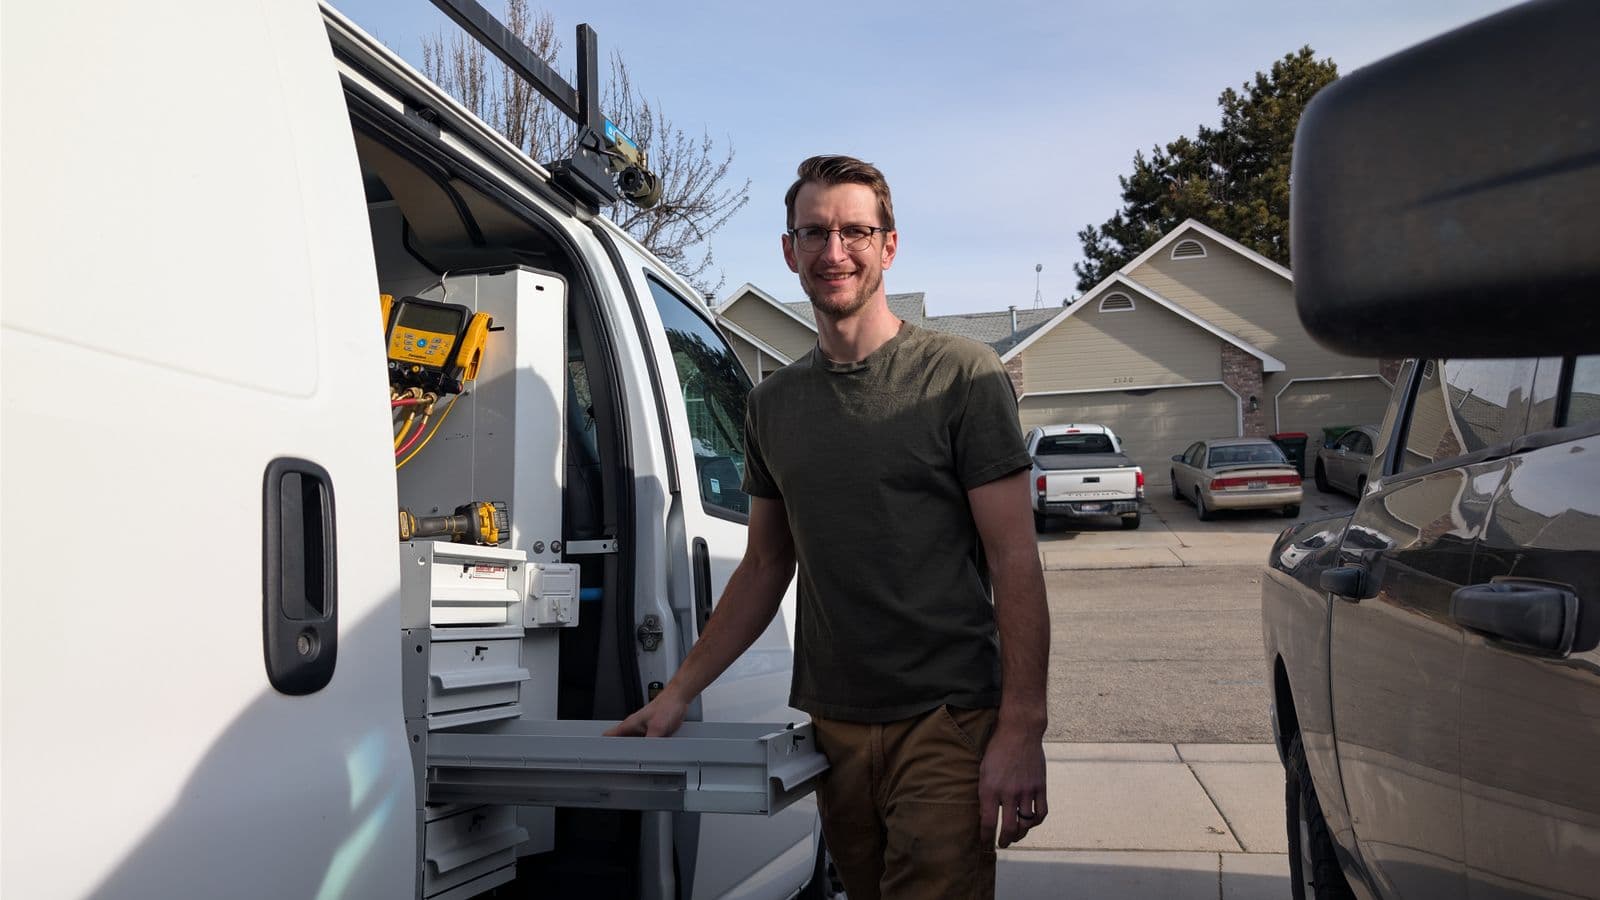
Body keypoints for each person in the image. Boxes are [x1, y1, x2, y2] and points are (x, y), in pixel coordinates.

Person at [607, 155, 1050, 899]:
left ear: (888, 246)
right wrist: (679, 691)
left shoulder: (960, 376)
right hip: (834, 722)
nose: (833, 252)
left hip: (945, 718)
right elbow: (762, 567)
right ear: (790, 250)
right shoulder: (773, 405)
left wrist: (1021, 730)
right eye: (814, 233)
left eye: (854, 231)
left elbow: (1015, 562)